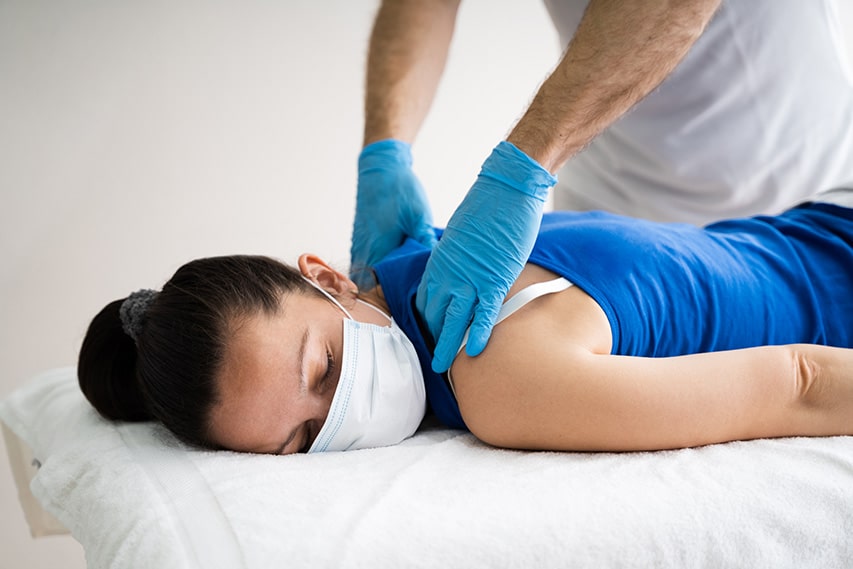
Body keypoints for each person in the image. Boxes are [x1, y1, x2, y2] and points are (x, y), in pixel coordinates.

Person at [79, 190, 853, 455]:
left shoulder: (500, 379)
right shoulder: (423, 264)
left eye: (325, 369)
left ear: (328, 278)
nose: (346, 412)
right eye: (304, 437)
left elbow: (801, 382)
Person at [351, 0, 853, 375]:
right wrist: (385, 152)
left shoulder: (509, 371)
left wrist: (522, 168)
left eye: (329, 367)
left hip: (792, 175)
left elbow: (801, 384)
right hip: (610, 200)